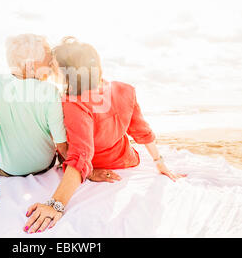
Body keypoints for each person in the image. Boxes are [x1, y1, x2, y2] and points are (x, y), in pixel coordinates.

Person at [24, 37, 186, 233]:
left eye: (55, 67)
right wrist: (159, 162)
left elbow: (81, 155)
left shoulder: (74, 102)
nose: (52, 71)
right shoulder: (125, 89)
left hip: (94, 165)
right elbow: (142, 131)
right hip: (127, 160)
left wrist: (55, 204)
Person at [0, 34, 68, 217]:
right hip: (44, 165)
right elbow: (61, 144)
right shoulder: (50, 91)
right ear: (32, 62)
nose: (51, 63)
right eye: (48, 58)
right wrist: (81, 170)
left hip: (8, 171)